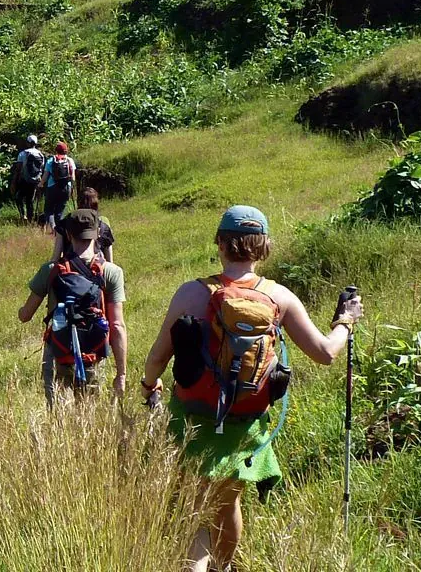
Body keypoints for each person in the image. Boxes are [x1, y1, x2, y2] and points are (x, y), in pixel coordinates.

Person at [137, 205, 362, 572]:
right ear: (264, 247)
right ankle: (223, 568)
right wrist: (346, 321)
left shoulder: (191, 294)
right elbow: (324, 353)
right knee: (227, 505)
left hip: (194, 416)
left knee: (194, 508)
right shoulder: (279, 297)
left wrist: (149, 386)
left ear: (219, 244)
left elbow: (158, 358)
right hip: (245, 422)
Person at [17, 209, 126, 404]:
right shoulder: (112, 272)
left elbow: (25, 315)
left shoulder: (51, 270)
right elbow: (117, 325)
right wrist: (121, 374)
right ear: (98, 234)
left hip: (57, 352)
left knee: (59, 416)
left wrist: (21, 311)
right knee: (90, 416)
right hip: (94, 353)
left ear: (68, 234)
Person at [53, 187, 115, 263]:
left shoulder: (64, 223)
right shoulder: (103, 226)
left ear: (78, 203)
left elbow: (55, 257)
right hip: (96, 269)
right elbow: (110, 261)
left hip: (71, 267)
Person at [40, 141, 77, 230]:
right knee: (60, 211)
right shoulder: (70, 161)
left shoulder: (51, 160)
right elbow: (73, 178)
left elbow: (45, 176)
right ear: (66, 151)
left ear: (56, 150)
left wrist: (40, 184)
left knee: (49, 209)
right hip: (65, 188)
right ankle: (59, 230)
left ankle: (53, 228)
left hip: (52, 187)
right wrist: (72, 188)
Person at [11, 135, 46, 222]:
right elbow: (41, 169)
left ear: (27, 143)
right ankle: (30, 219)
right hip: (36, 181)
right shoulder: (40, 155)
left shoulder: (23, 154)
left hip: (24, 180)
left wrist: (14, 182)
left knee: (18, 197)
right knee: (30, 200)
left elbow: (18, 169)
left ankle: (23, 216)